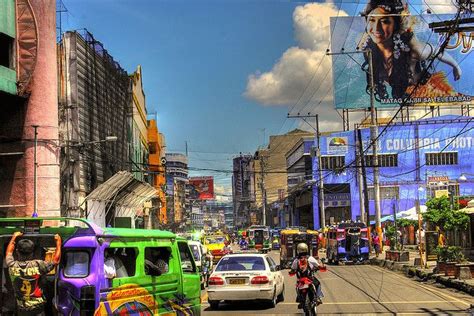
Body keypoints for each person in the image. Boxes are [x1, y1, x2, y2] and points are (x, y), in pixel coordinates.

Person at [360, 0, 462, 102]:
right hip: (400, 104)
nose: (376, 27)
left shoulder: (413, 50)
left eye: (385, 21)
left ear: (396, 25)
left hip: (425, 95)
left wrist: (456, 66)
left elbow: (436, 50)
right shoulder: (368, 50)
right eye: (372, 20)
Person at [5, 232, 61, 316]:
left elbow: (8, 252)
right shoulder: (38, 265)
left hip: (22, 308)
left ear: (17, 251)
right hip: (38, 308)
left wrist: (14, 237)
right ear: (32, 253)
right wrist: (58, 242)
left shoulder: (12, 265)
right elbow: (56, 261)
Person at [289, 243, 324, 308]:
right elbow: (318, 266)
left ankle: (299, 300)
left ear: (298, 250)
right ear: (307, 249)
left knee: (297, 287)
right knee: (318, 283)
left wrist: (291, 272)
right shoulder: (310, 258)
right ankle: (318, 297)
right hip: (310, 278)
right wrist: (322, 267)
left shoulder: (296, 260)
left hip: (300, 280)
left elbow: (292, 270)